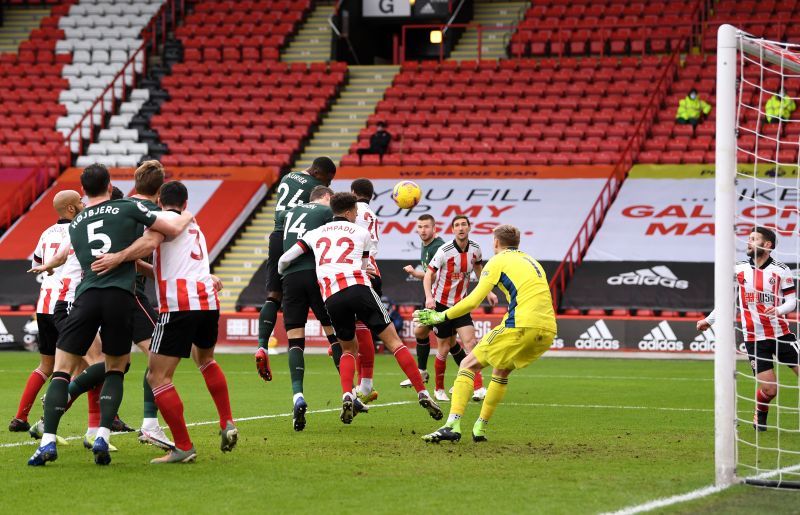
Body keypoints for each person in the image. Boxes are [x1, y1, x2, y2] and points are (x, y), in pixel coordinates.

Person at [26, 164, 192, 466]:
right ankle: (103, 433)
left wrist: (47, 265)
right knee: (116, 367)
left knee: (61, 369)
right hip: (120, 295)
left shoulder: (75, 225)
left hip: (85, 296)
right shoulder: (126, 207)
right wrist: (185, 217)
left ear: (83, 190)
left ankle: (47, 440)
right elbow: (169, 230)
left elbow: (65, 256)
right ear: (110, 184)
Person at [91, 180, 235, 464]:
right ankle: (227, 421)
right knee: (205, 360)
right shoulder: (194, 227)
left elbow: (148, 242)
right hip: (207, 300)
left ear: (159, 201)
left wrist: (118, 256)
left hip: (180, 305)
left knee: (157, 376)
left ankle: (182, 446)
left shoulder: (163, 220)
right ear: (185, 203)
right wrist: (130, 263)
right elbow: (164, 268)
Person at [278, 192, 442, 424]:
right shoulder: (362, 232)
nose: (357, 215)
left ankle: (347, 394)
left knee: (347, 350)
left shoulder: (314, 234)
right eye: (355, 211)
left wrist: (282, 270)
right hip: (358, 288)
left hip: (332, 297)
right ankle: (422, 392)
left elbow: (285, 258)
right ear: (347, 212)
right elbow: (364, 266)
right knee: (395, 343)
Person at [416, 225, 557, 443]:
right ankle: (480, 428)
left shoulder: (498, 261)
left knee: (467, 365)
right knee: (501, 372)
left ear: (495, 243)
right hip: (548, 329)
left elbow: (473, 300)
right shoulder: (532, 261)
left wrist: (440, 317)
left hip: (520, 325)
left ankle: (452, 425)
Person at [697, 227, 798, 432]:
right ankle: (760, 412)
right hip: (754, 339)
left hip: (782, 335)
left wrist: (778, 310)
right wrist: (709, 320)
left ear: (767, 245)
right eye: (749, 238)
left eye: (754, 239)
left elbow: (792, 301)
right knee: (769, 390)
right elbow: (726, 298)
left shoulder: (780, 270)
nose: (749, 242)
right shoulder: (739, 269)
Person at [255, 157, 337, 383]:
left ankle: (262, 346)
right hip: (296, 236)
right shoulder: (316, 189)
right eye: (328, 179)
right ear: (320, 173)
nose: (328, 184)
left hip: (275, 235)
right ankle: (336, 346)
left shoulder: (287, 176)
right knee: (318, 295)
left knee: (273, 296)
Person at [9, 191, 83, 433]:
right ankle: (100, 420)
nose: (84, 204)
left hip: (45, 305)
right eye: (80, 201)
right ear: (71, 208)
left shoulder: (46, 233)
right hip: (68, 303)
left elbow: (39, 267)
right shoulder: (81, 229)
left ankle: (20, 417)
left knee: (46, 366)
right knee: (91, 364)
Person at [279, 185, 339, 431]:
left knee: (294, 339)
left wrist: (282, 270)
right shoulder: (326, 212)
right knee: (333, 333)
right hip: (316, 274)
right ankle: (351, 393)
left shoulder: (289, 213)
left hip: (290, 277)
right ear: (325, 197)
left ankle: (297, 396)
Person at [423, 216, 496, 402]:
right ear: (453, 230)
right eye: (457, 225)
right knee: (444, 347)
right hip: (441, 305)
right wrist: (429, 298)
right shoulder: (444, 251)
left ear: (469, 227)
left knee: (471, 343)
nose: (461, 228)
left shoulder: (476, 249)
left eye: (464, 224)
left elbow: (480, 270)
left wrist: (488, 292)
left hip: (461, 304)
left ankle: (478, 387)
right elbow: (428, 275)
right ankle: (439, 389)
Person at [401, 214, 446, 387]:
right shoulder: (425, 244)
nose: (423, 230)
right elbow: (430, 275)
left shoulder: (438, 247)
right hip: (432, 297)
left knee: (449, 343)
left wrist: (416, 275)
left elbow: (436, 278)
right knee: (421, 332)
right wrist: (414, 273)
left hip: (441, 298)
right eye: (420, 227)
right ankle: (421, 372)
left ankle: (474, 382)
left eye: (426, 227)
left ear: (434, 228)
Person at [351, 178, 380, 404]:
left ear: (353, 193)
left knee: (358, 330)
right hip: (373, 269)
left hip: (358, 271)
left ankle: (365, 385)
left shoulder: (354, 211)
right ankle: (363, 385)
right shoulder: (372, 214)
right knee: (362, 330)